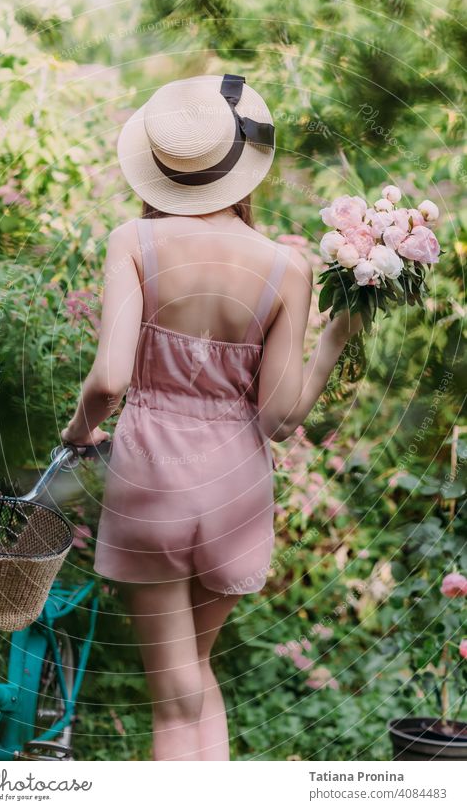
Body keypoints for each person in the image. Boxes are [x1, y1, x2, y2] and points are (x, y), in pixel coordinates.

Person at [61, 74, 362, 761]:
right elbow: (280, 417)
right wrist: (332, 343)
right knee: (196, 679)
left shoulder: (133, 242)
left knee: (174, 699)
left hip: (154, 475)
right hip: (236, 483)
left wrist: (78, 431)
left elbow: (109, 378)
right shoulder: (285, 265)